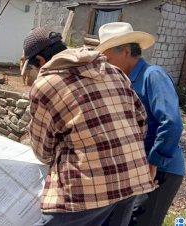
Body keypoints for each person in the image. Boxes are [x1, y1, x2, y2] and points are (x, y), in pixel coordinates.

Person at [21, 27, 156, 226]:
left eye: (33, 68)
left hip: (88, 189)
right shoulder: (113, 71)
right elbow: (140, 122)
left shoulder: (46, 84)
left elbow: (43, 152)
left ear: (40, 61)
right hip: (133, 179)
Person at [95, 22, 185, 226]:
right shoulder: (123, 81)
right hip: (138, 168)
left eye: (108, 59)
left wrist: (154, 163)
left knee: (141, 221)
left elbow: (171, 123)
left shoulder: (152, 76)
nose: (106, 65)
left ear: (125, 51)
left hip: (161, 168)